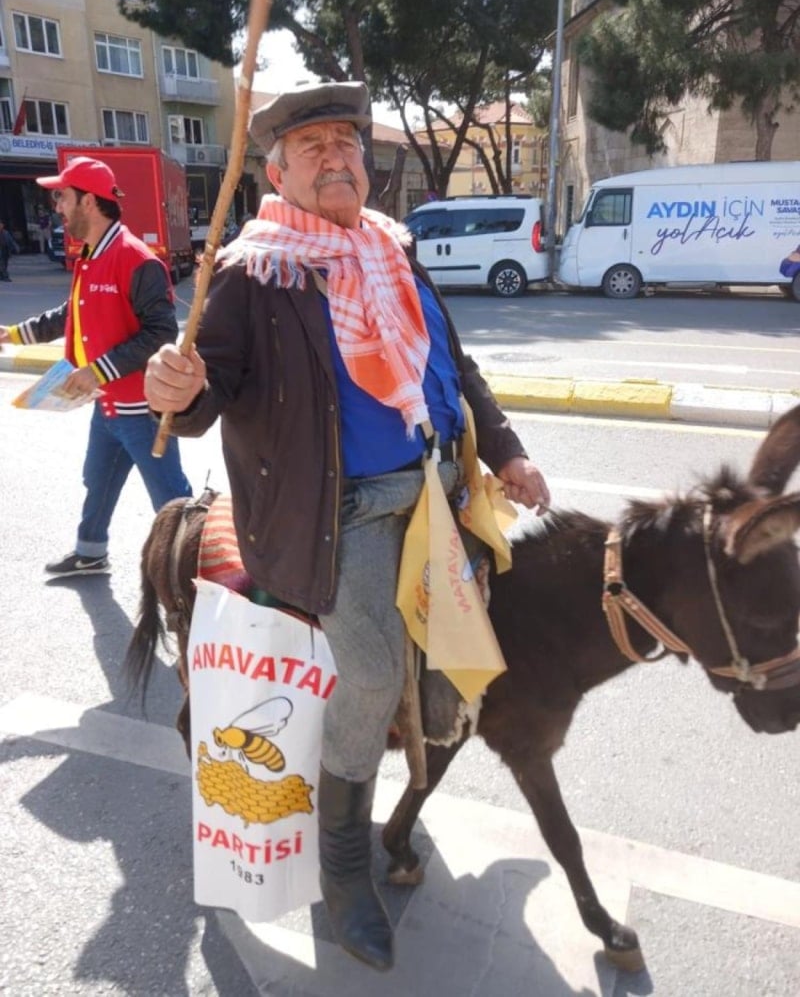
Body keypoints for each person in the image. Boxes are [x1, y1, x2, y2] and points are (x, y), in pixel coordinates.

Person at [143, 81, 550, 972]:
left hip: (438, 494)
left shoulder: (393, 249)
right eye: (313, 147)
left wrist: (508, 450)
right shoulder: (253, 273)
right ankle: (344, 861)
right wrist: (175, 386)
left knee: (463, 661)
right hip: (342, 513)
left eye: (347, 143)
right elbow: (206, 389)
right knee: (368, 673)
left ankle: (404, 772)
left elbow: (454, 367)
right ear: (277, 173)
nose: (336, 158)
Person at [0, 156, 192, 577]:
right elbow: (70, 315)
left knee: (171, 499)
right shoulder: (89, 256)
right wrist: (12, 334)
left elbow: (161, 333)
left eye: (62, 197)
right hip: (107, 407)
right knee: (98, 480)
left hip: (142, 411)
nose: (56, 206)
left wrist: (97, 370)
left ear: (88, 201)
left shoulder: (136, 259)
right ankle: (90, 552)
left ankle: (191, 575)